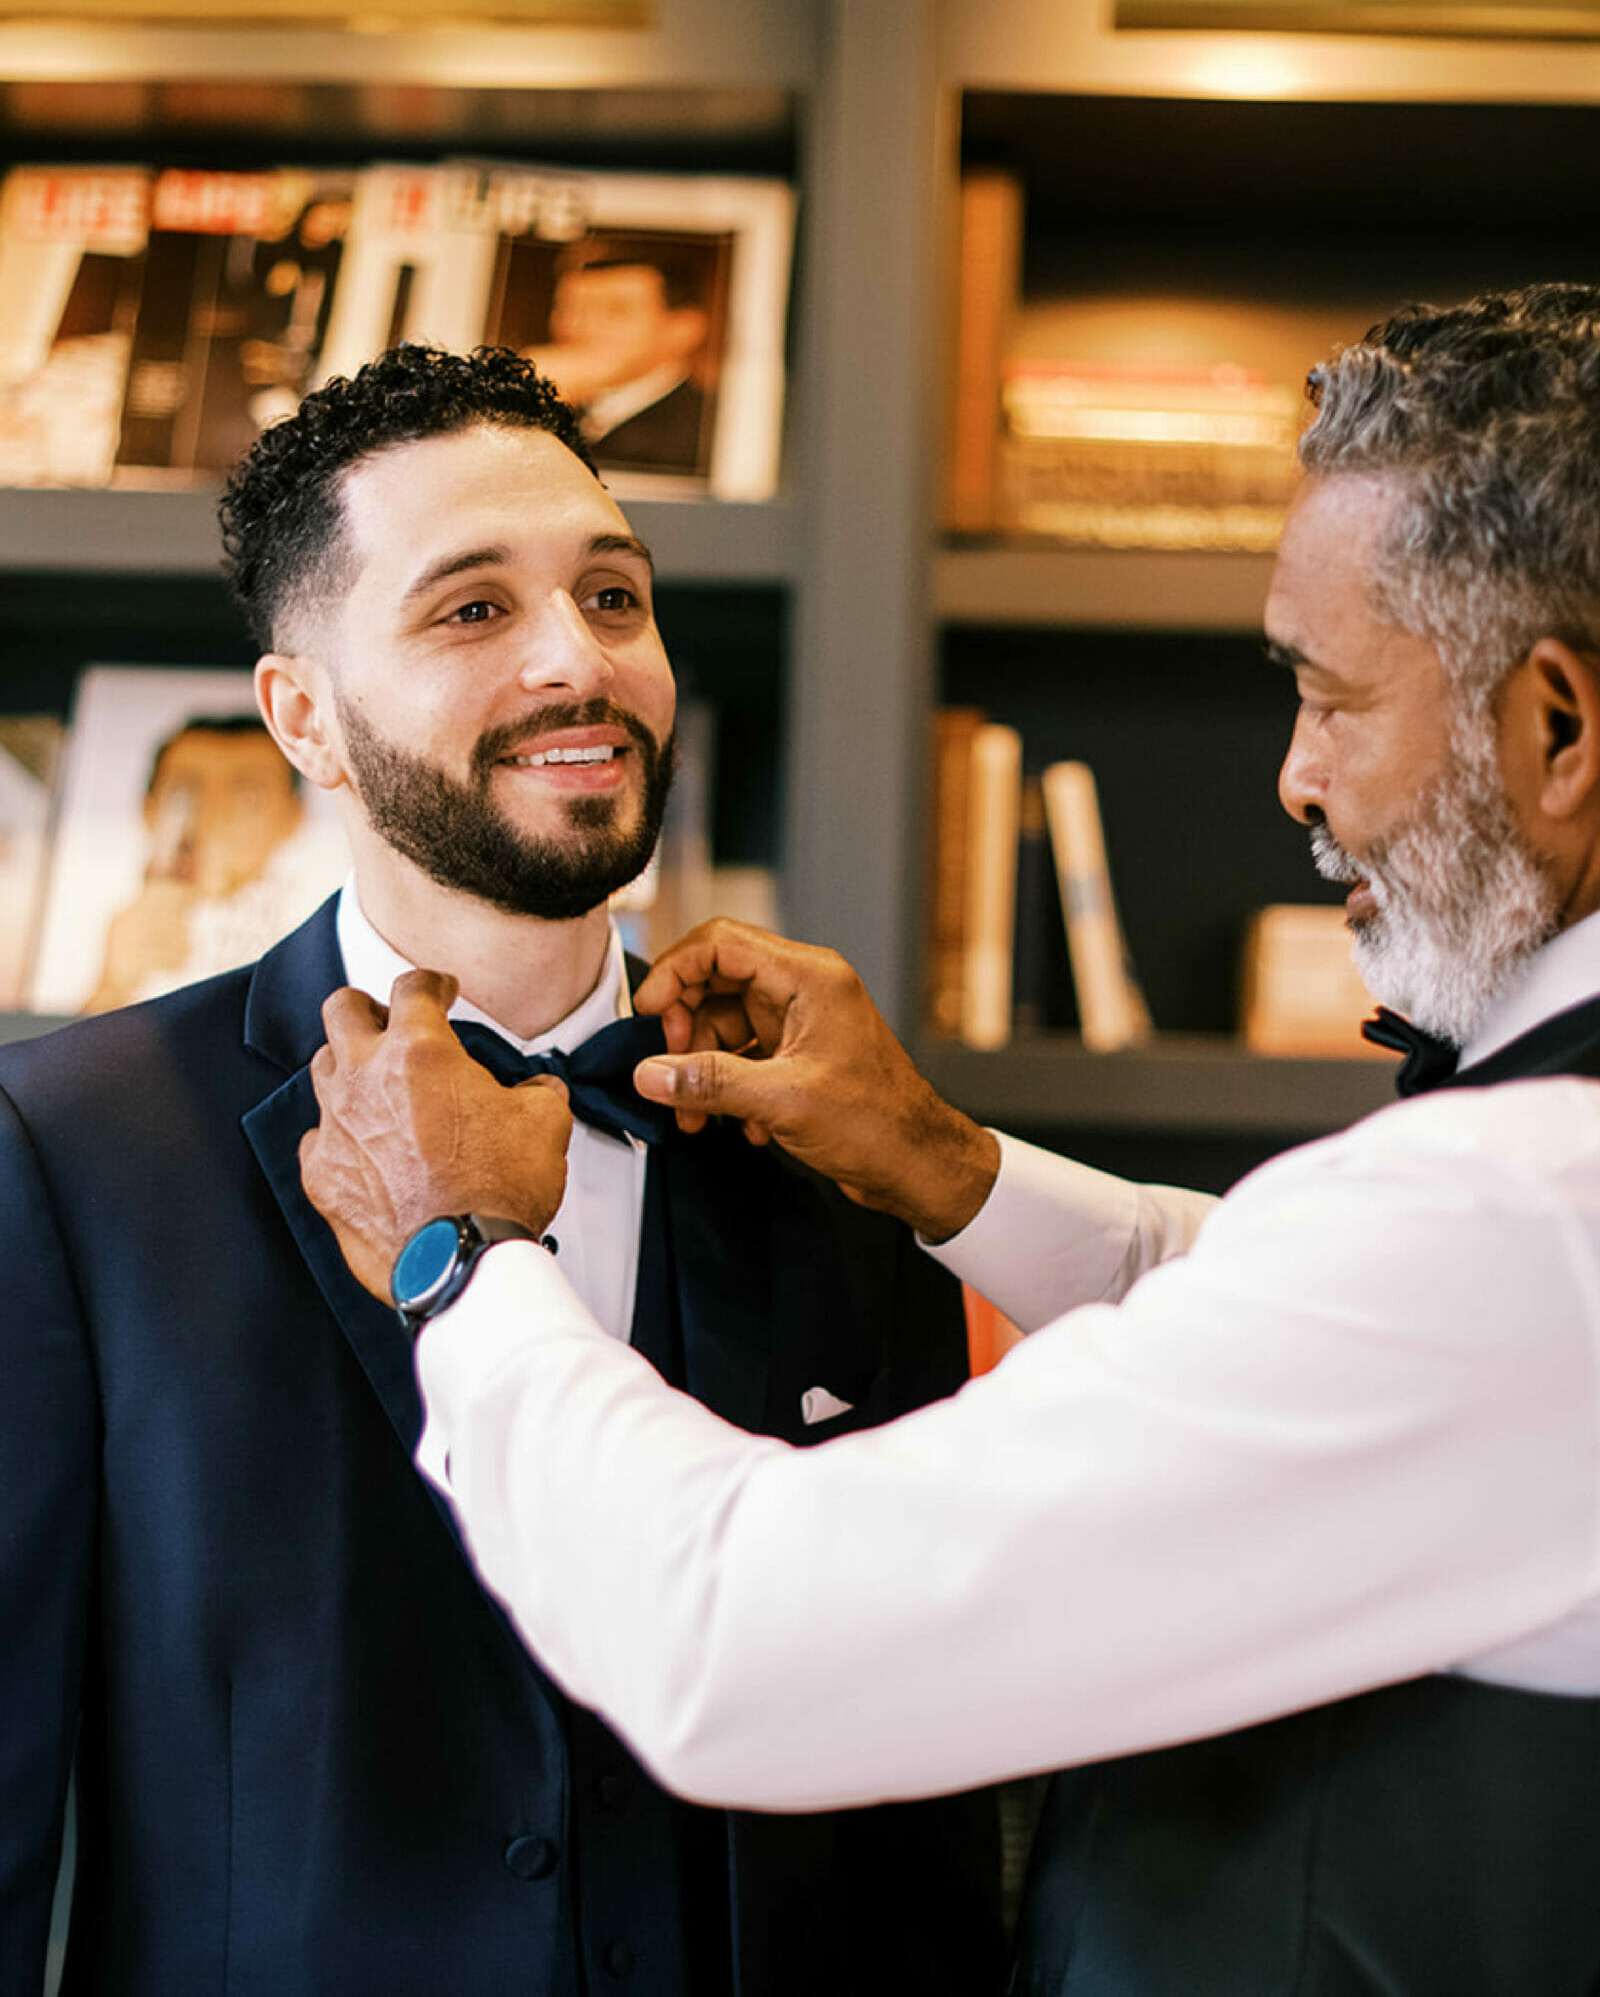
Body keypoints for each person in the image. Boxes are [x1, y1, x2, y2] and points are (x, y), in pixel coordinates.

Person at [302, 283, 1600, 1997]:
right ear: (298, 710)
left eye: (1329, 696)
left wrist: (455, 1259)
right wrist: (953, 1168)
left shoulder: (1522, 1218)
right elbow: (1291, 1317)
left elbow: (735, 1647)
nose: (1293, 777)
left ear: (1557, 727)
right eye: (470, 605)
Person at [0, 342, 1004, 1996]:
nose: (579, 664)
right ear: (302, 714)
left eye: (614, 597)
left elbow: (919, 1789)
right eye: (473, 610)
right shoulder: (70, 1153)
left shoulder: (834, 1133)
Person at [86, 712, 308, 1013]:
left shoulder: (314, 935)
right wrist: (111, 986)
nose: (212, 814)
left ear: (293, 817)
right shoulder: (96, 920)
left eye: (248, 796)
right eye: (185, 794)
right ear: (147, 808)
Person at [527, 244, 714, 476]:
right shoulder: (558, 406)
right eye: (567, 308)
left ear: (683, 330)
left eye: (616, 311)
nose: (575, 327)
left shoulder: (708, 435)